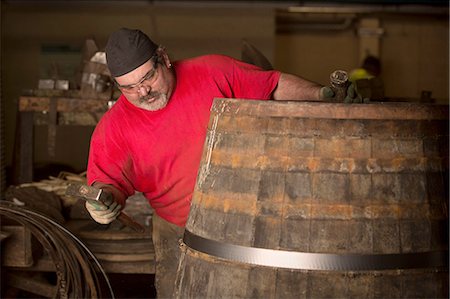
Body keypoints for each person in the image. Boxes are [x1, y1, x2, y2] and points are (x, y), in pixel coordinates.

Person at [85, 28, 344, 298]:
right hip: (177, 232)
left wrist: (320, 95)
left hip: (243, 222)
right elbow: (108, 183)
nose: (143, 91)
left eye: (148, 76)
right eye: (129, 87)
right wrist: (102, 203)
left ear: (164, 57)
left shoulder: (212, 72)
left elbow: (273, 86)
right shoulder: (113, 128)